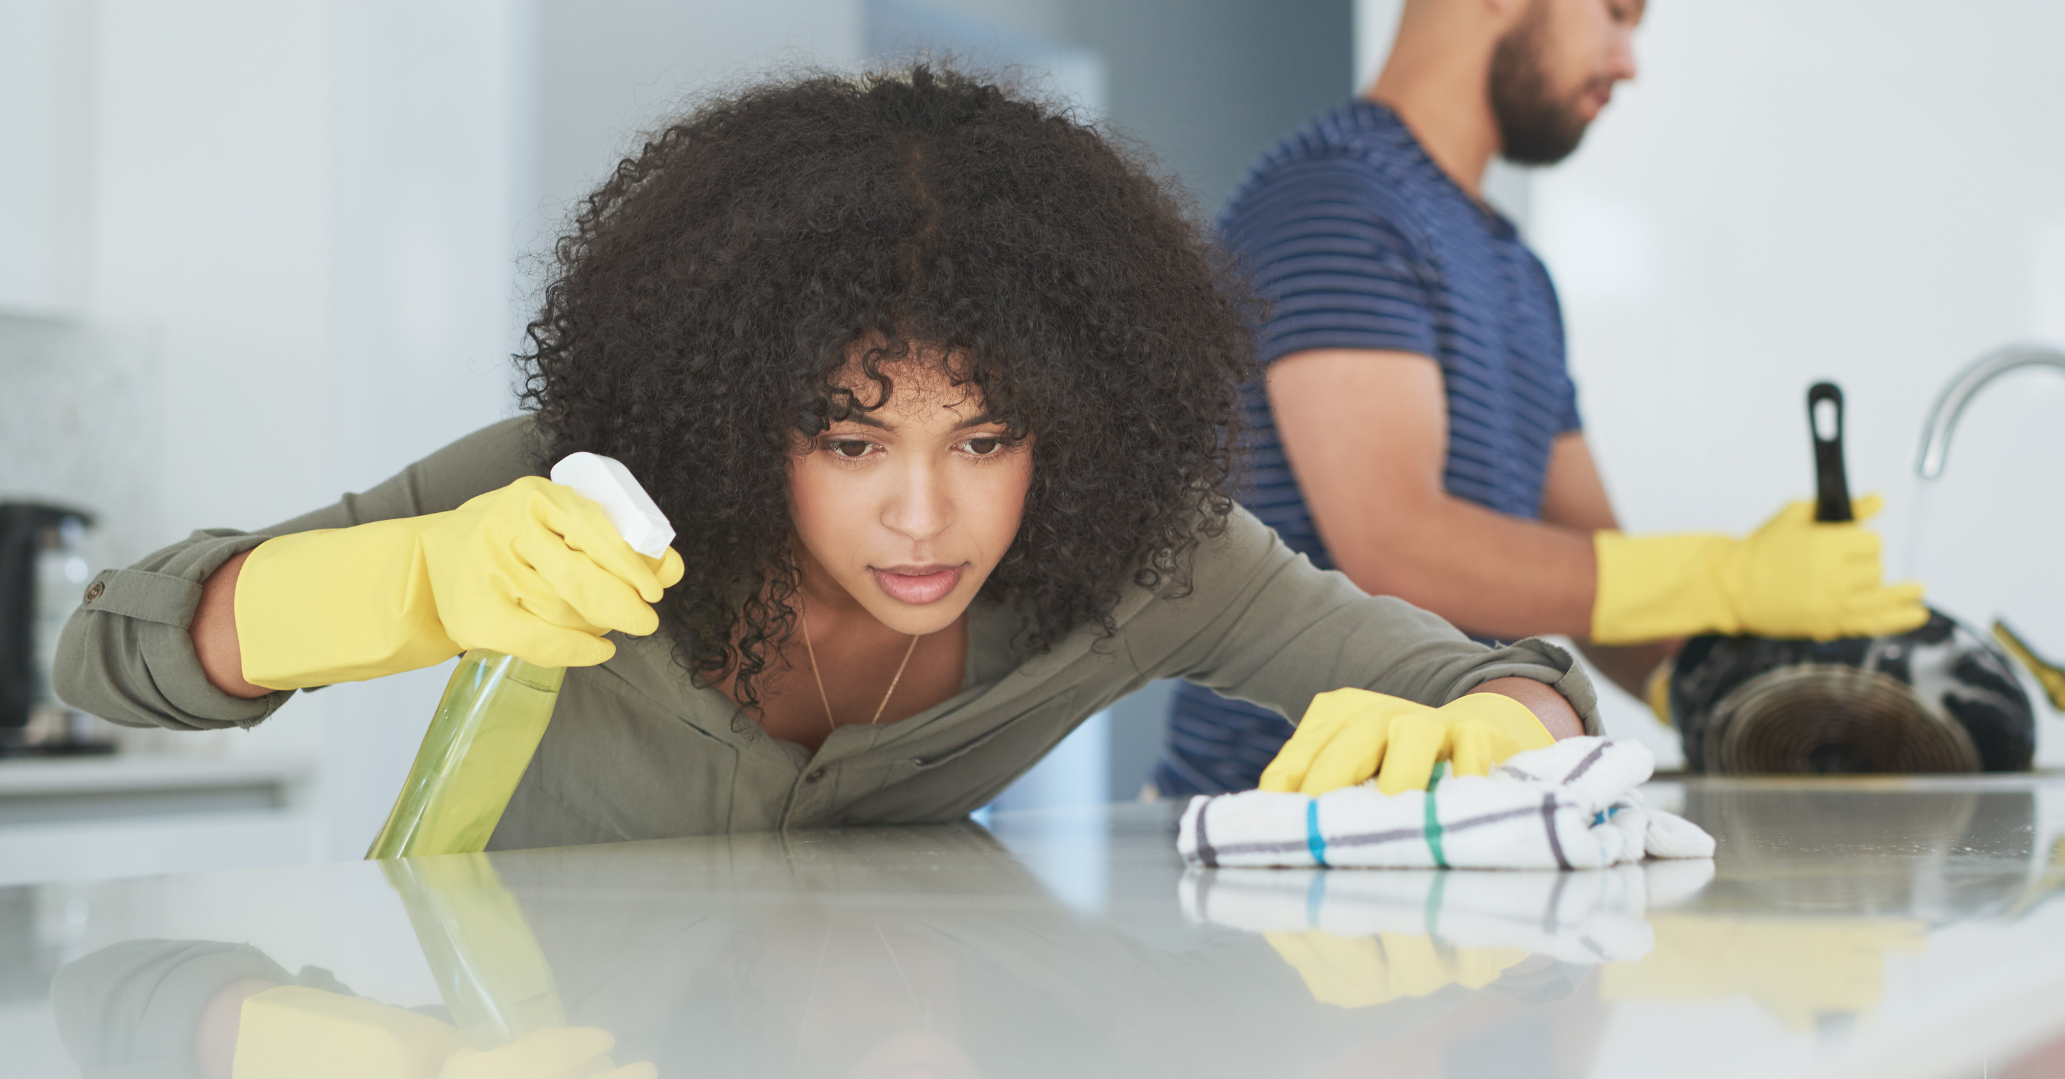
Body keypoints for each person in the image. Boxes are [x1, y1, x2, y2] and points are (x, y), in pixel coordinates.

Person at [57, 67, 1595, 848]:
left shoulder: (1145, 554)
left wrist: (1496, 731)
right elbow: (98, 654)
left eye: (984, 436)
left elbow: (1511, 678)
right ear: (735, 409)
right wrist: (395, 582)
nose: (925, 512)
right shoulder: (574, 490)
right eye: (849, 437)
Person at [1154, 0, 1925, 797]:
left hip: (1452, 820)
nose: (1629, 61)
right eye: (1616, 9)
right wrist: (1722, 572)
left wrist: (1798, 683)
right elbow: (1396, 546)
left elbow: (1601, 597)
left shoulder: (1513, 270)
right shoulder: (1335, 200)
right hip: (1276, 828)